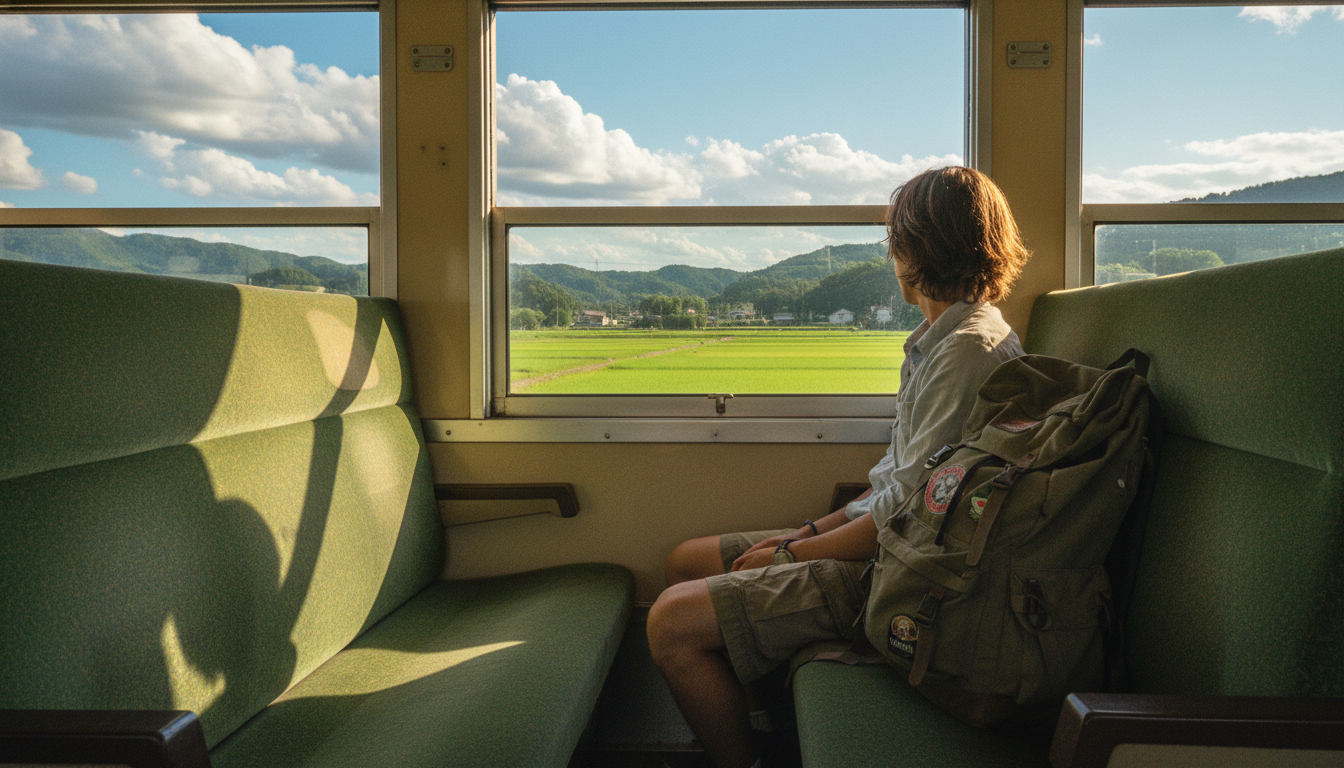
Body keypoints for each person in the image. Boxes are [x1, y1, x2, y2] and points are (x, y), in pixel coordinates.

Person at [645, 166, 1032, 768]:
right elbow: (896, 478)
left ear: (920, 250)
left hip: (900, 571)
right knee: (684, 561)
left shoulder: (967, 352)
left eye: (895, 242)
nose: (892, 257)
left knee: (670, 624)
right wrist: (802, 535)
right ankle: (764, 729)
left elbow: (903, 519)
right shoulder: (939, 337)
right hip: (884, 538)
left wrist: (787, 554)